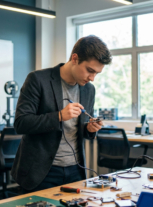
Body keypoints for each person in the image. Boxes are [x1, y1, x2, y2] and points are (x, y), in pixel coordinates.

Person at [11, 35, 112, 193]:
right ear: (75, 58)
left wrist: (90, 129)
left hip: (75, 170)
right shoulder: (38, 80)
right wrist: (58, 116)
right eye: (90, 71)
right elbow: (21, 123)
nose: (92, 78)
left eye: (97, 73)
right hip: (42, 172)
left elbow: (81, 128)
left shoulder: (88, 89)